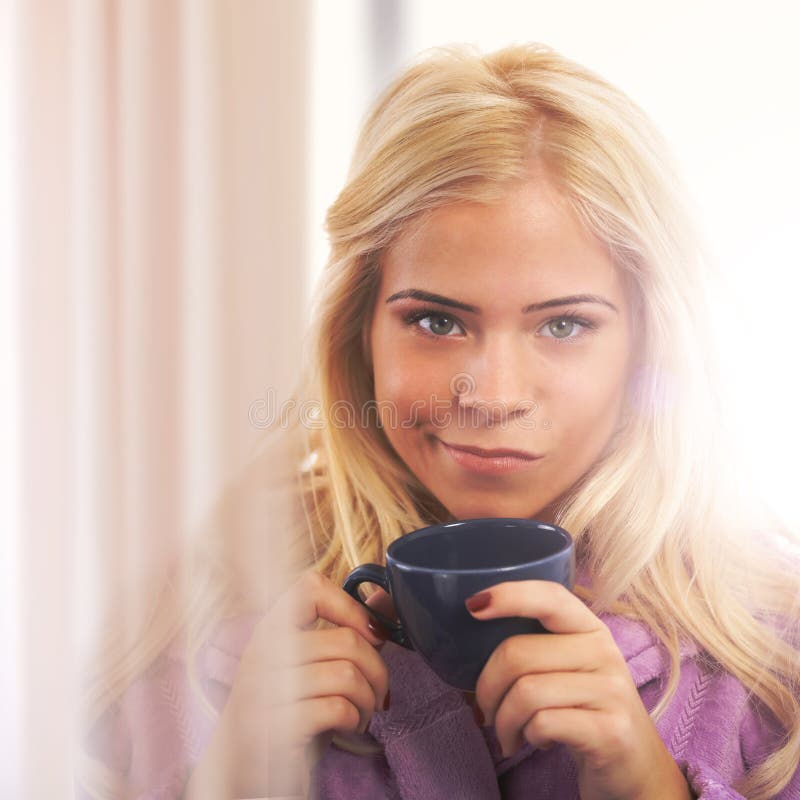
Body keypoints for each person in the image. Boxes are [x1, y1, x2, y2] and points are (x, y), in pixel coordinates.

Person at [78, 43, 800, 800]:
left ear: (647, 341)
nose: (491, 396)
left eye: (562, 327)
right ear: (358, 333)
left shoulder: (769, 660)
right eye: (435, 321)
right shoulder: (179, 635)